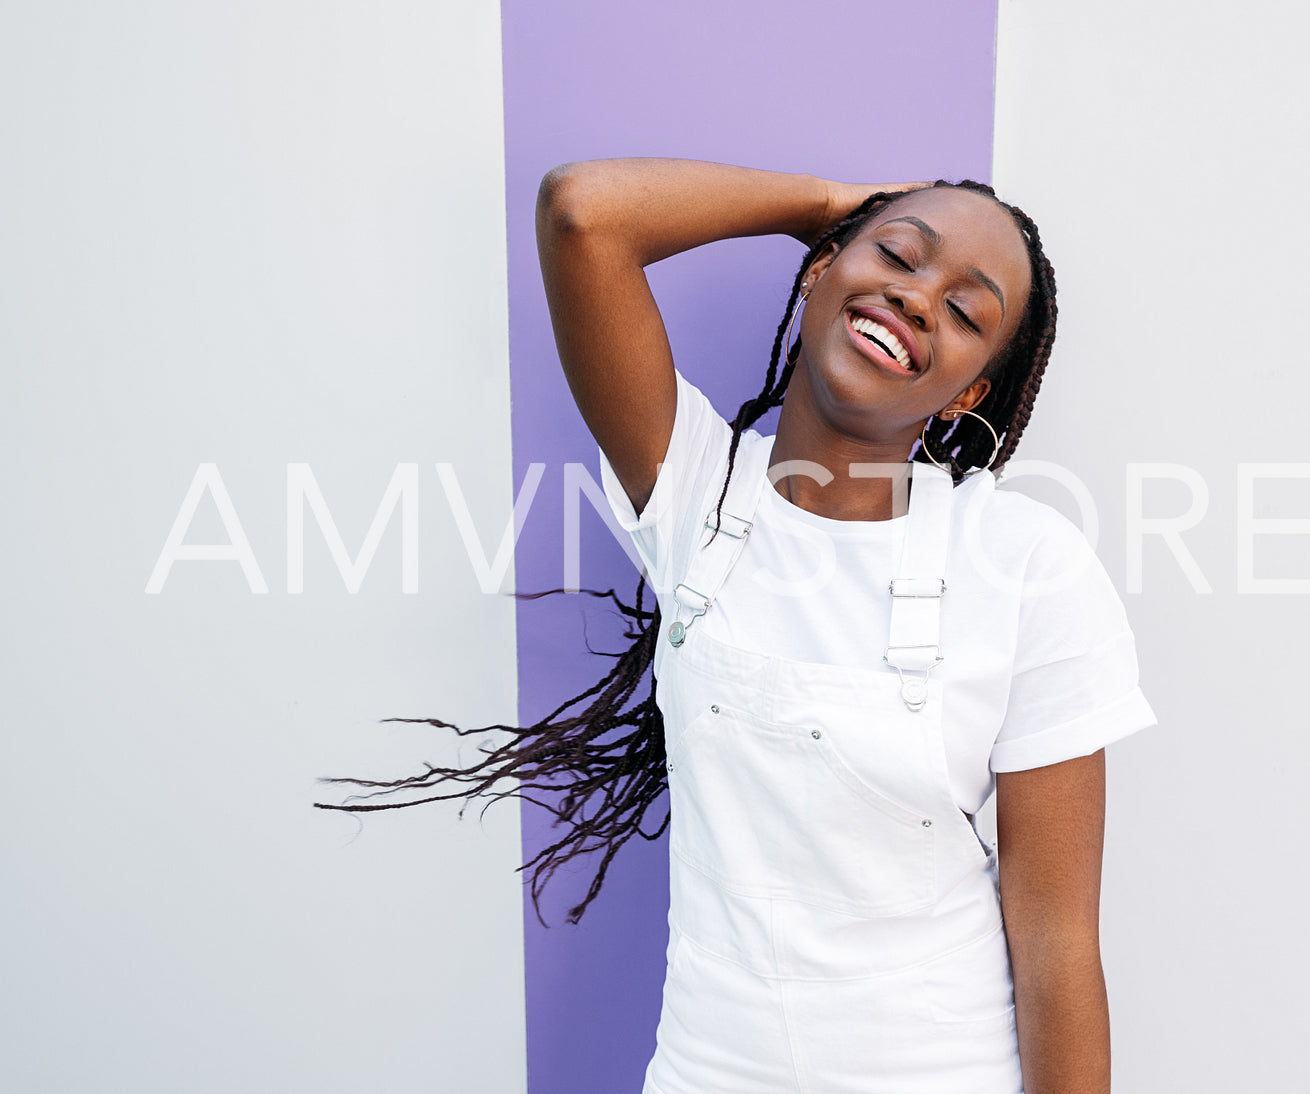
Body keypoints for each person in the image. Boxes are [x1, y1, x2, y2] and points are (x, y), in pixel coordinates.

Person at [321, 157, 1157, 1094]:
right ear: (818, 270)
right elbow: (581, 214)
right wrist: (826, 207)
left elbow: (1054, 946)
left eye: (966, 314)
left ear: (968, 396)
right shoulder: (691, 490)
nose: (920, 300)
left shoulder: (1025, 564)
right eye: (898, 256)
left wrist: (863, 236)